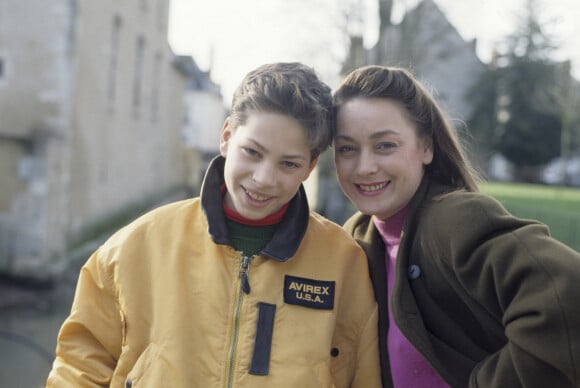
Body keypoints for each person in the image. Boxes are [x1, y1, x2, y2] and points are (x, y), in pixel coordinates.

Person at [46, 62, 381, 388]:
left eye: (288, 164)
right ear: (226, 137)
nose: (263, 179)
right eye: (252, 152)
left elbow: (363, 376)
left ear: (309, 168)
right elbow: (79, 366)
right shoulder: (135, 246)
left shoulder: (344, 263)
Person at [332, 64, 580, 388]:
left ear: (426, 147)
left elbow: (569, 295)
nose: (365, 167)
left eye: (385, 145)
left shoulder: (455, 219)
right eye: (347, 149)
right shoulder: (356, 237)